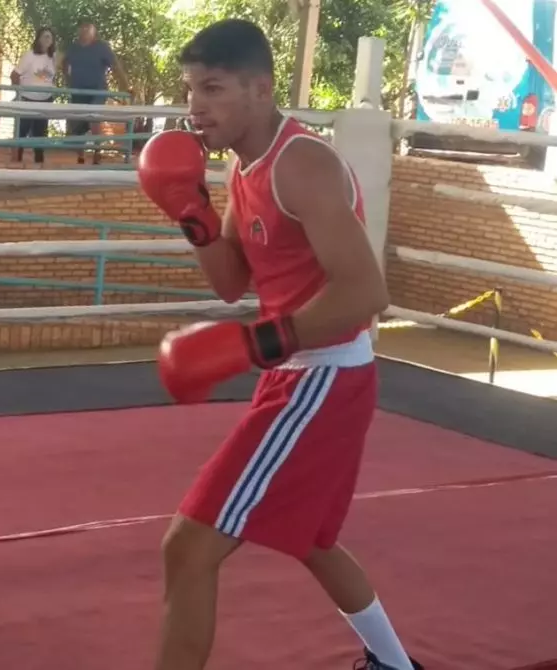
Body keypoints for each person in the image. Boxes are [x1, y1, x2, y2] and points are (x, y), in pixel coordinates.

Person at [136, 20, 422, 670]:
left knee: (187, 546)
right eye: (189, 89)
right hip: (298, 370)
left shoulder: (303, 163)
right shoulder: (247, 167)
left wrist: (251, 346)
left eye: (211, 88)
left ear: (260, 88)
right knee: (313, 539)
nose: (194, 105)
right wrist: (191, 214)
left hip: (322, 376)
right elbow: (235, 279)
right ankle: (396, 665)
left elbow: (363, 294)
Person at [62, 21, 129, 165]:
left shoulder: (102, 47)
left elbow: (116, 66)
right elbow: (64, 63)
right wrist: (67, 79)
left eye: (88, 28)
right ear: (78, 30)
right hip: (78, 89)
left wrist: (126, 86)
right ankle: (81, 155)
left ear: (94, 32)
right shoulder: (73, 48)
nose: (85, 30)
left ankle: (97, 151)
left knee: (94, 116)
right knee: (78, 122)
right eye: (82, 28)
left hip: (98, 89)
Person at [10, 26, 59, 164]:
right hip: (27, 98)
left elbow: (51, 78)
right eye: (44, 36)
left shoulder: (53, 57)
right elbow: (15, 75)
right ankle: (16, 162)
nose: (47, 39)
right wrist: (18, 93)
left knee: (41, 133)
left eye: (50, 36)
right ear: (38, 39)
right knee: (22, 131)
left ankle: (39, 164)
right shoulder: (29, 55)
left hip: (45, 100)